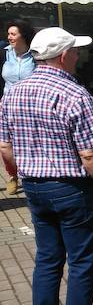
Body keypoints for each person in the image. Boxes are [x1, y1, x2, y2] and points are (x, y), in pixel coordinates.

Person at [0, 27, 93, 305]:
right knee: (82, 263)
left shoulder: (13, 92)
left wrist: (21, 173)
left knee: (48, 260)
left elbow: (6, 148)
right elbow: (91, 155)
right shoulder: (74, 93)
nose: (78, 55)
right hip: (71, 188)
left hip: (35, 187)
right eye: (75, 50)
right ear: (63, 55)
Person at [1, 19, 37, 194]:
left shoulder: (36, 56)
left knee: (29, 142)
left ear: (24, 35)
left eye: (13, 34)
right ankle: (13, 174)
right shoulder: (4, 54)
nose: (9, 37)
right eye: (8, 34)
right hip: (6, 105)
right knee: (5, 145)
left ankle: (31, 175)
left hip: (30, 106)